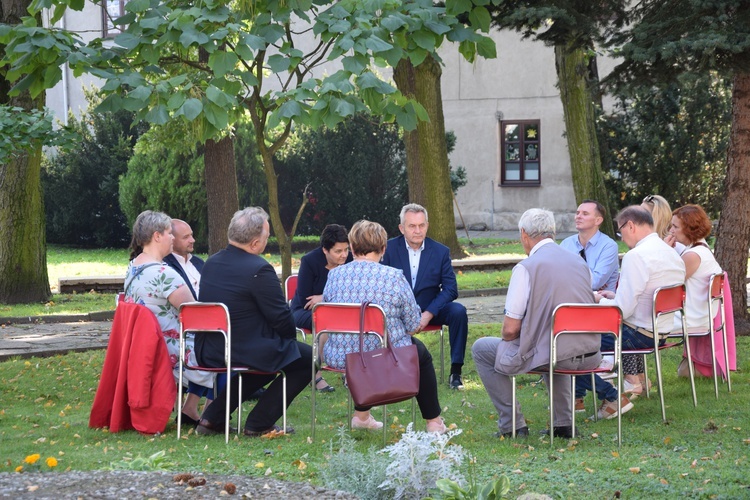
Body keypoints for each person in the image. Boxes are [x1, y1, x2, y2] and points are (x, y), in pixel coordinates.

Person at [472, 209, 603, 439]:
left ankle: (512, 425)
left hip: (556, 352)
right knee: (555, 341)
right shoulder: (580, 263)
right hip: (590, 351)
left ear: (524, 234)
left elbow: (510, 330)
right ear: (552, 232)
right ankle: (563, 424)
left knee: (482, 348)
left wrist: (522, 335)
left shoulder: (526, 268)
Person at [194, 207, 313, 437]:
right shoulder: (259, 268)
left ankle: (212, 418)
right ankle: (259, 423)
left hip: (210, 346)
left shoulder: (212, 262)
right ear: (256, 243)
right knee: (306, 359)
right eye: (267, 238)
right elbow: (280, 317)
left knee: (274, 359)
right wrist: (288, 338)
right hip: (241, 348)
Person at [323, 220, 447, 434]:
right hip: (381, 353)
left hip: (341, 354)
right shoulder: (393, 277)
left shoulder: (334, 275)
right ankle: (434, 422)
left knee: (366, 349)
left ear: (352, 248)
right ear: (383, 248)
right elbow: (411, 323)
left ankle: (361, 417)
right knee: (421, 355)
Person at [593, 206, 685, 397]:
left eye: (621, 231)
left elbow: (621, 311)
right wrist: (614, 297)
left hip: (639, 335)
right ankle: (631, 380)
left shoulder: (636, 256)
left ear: (631, 226)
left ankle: (606, 397)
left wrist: (597, 300)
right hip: (662, 330)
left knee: (579, 339)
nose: (622, 238)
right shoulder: (671, 253)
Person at [123, 211, 206, 411]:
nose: (172, 237)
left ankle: (192, 410)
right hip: (172, 351)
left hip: (145, 348)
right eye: (170, 233)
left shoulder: (133, 268)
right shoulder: (165, 274)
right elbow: (199, 318)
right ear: (157, 236)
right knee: (228, 349)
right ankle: (212, 416)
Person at [382, 203, 468, 390]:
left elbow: (451, 288)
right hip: (397, 312)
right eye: (412, 226)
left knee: (458, 312)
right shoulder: (388, 249)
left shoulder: (440, 251)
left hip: (430, 308)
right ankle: (386, 369)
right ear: (401, 228)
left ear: (427, 226)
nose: (417, 231)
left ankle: (456, 372)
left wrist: (428, 313)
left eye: (421, 225)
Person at [162, 219, 214, 427]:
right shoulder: (167, 267)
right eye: (186, 237)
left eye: (192, 234)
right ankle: (212, 413)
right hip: (186, 329)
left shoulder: (199, 263)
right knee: (219, 348)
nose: (193, 240)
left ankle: (191, 408)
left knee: (219, 341)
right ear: (171, 240)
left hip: (209, 323)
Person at [290, 224, 352, 393]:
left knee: (352, 322)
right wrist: (327, 301)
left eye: (346, 249)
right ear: (325, 250)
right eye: (338, 251)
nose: (344, 255)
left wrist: (324, 297)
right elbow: (305, 299)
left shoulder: (350, 260)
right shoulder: (310, 261)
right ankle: (315, 374)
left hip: (338, 311)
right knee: (326, 320)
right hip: (303, 311)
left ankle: (349, 371)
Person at [666, 205, 723, 378]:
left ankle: (635, 379)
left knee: (631, 323)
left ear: (690, 229)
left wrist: (664, 251)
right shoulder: (700, 251)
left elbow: (665, 284)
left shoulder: (693, 255)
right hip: (699, 314)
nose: (671, 231)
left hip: (691, 317)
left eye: (675, 227)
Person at [560, 200, 619, 292]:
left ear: (598, 220)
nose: (578, 217)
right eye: (577, 213)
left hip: (599, 304)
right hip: (570, 301)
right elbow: (556, 277)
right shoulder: (566, 244)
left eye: (585, 214)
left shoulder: (608, 246)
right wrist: (587, 283)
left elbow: (595, 282)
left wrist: (568, 279)